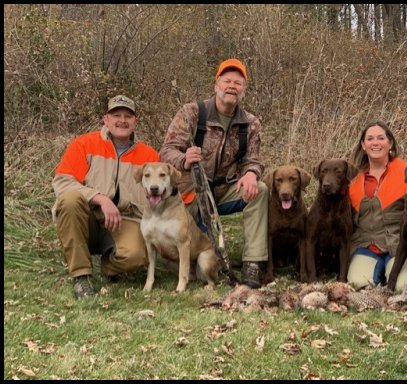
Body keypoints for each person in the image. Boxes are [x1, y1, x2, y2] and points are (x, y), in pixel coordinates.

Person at [160, 58, 268, 289]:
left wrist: (251, 173)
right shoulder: (191, 113)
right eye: (227, 81)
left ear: (244, 89)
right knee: (199, 252)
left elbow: (254, 160)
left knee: (260, 190)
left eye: (238, 83)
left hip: (225, 190)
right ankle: (180, 259)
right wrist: (184, 159)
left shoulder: (250, 123)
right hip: (192, 189)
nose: (232, 86)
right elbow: (166, 152)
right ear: (216, 85)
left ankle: (253, 262)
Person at [52, 95, 160, 299]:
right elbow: (62, 182)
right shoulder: (84, 144)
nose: (122, 120)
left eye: (128, 116)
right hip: (88, 217)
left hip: (125, 220)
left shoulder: (149, 155)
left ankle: (109, 267)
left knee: (136, 256)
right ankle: (81, 275)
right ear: (106, 119)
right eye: (116, 115)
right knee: (69, 200)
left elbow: (157, 197)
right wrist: (100, 198)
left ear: (135, 122)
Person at [347, 120, 407, 293]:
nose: (375, 143)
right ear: (363, 145)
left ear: (390, 143)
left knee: (405, 287)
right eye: (370, 139)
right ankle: (381, 274)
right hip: (366, 244)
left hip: (400, 244)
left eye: (381, 138)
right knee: (357, 284)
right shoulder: (352, 178)